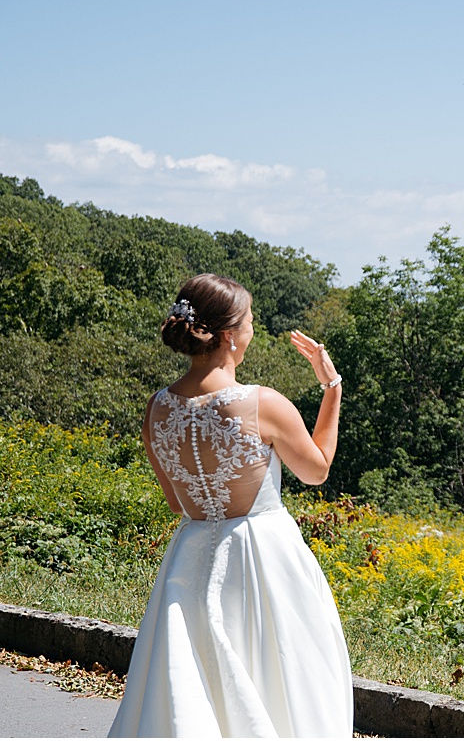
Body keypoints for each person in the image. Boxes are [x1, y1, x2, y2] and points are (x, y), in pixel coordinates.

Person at [108, 274, 353, 737]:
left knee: (189, 683)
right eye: (251, 321)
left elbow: (174, 500)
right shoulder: (262, 404)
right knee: (281, 678)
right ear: (229, 335)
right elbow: (317, 470)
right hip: (261, 556)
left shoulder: (156, 408)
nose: (253, 329)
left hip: (189, 558)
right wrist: (332, 388)